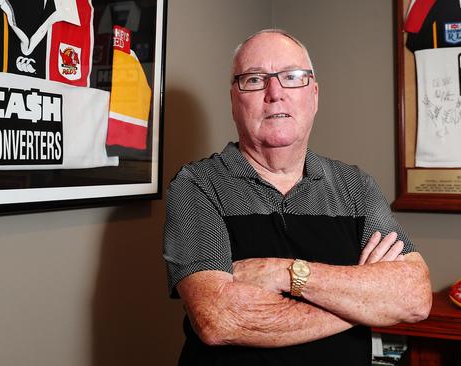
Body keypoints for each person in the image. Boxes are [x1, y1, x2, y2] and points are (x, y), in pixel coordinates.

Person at [163, 29, 432, 365]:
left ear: (314, 96)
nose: (275, 93)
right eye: (255, 79)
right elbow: (218, 320)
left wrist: (285, 273)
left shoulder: (355, 187)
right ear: (234, 101)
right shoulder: (198, 185)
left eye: (292, 77)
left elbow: (415, 297)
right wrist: (364, 305)